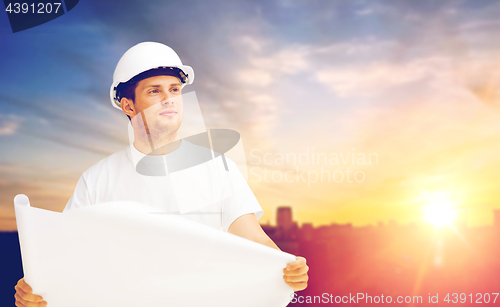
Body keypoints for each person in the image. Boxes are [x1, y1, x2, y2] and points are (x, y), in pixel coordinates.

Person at [14, 42, 309, 307]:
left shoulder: (216, 168)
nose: (169, 98)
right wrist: (35, 292)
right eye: (154, 91)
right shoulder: (97, 180)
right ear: (128, 105)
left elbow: (254, 240)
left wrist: (287, 267)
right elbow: (66, 259)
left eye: (175, 90)